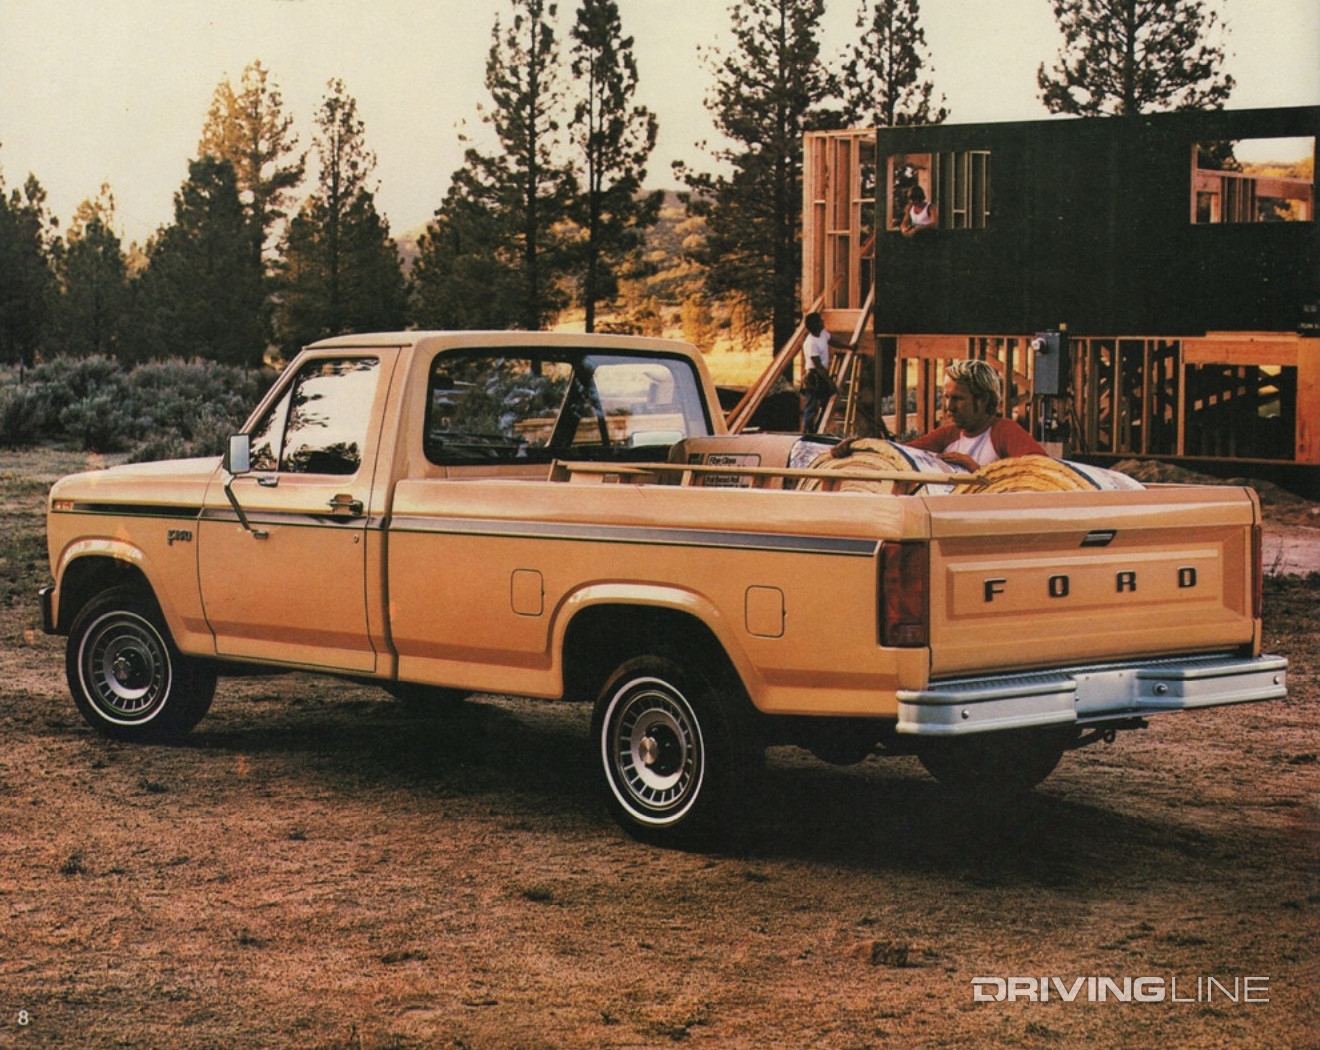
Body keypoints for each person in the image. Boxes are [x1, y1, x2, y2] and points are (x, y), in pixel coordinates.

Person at [907, 359, 1046, 469]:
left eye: (958, 398)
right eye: (947, 397)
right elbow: (902, 454)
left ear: (983, 399)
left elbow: (1042, 469)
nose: (949, 407)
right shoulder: (948, 434)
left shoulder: (1003, 431)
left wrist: (979, 472)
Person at [800, 312, 852, 434]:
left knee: (826, 403)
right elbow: (818, 366)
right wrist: (830, 382)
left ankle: (818, 428)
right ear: (816, 324)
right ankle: (807, 431)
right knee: (812, 405)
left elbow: (832, 341)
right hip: (813, 375)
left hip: (821, 373)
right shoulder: (810, 343)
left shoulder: (823, 334)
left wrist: (848, 347)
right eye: (820, 320)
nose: (823, 322)